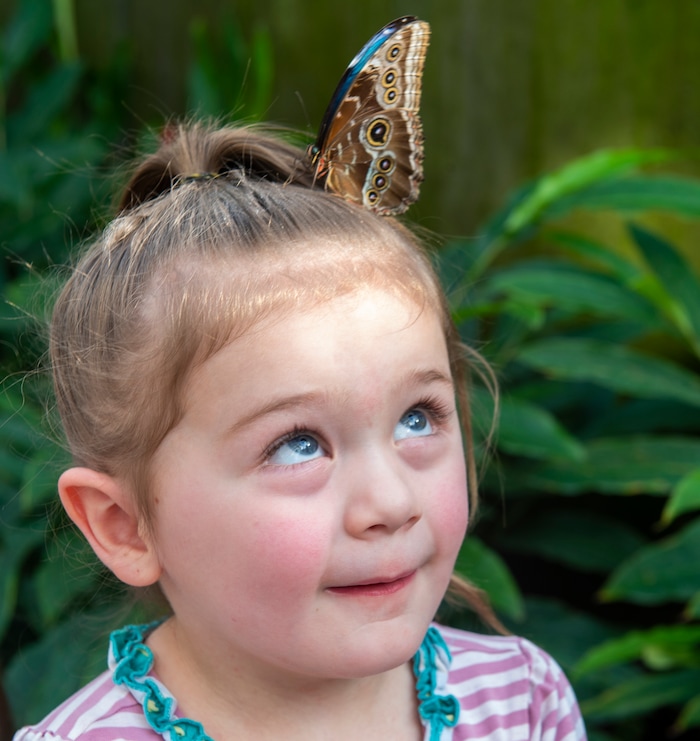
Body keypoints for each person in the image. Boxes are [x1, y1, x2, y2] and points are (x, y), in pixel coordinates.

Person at [13, 121, 587, 740]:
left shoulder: (523, 706)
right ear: (122, 525)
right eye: (298, 445)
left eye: (417, 418)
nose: (392, 504)